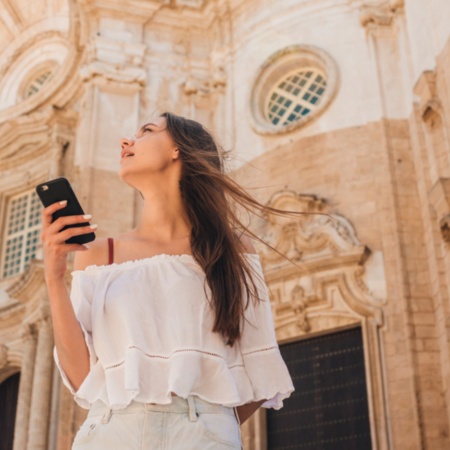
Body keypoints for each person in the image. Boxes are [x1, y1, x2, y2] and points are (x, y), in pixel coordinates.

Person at [41, 112, 294, 449]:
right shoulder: (101, 254)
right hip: (109, 430)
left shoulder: (229, 250)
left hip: (202, 432)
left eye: (146, 131)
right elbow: (81, 377)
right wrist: (55, 278)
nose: (126, 141)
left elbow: (257, 365)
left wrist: (208, 423)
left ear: (178, 150)